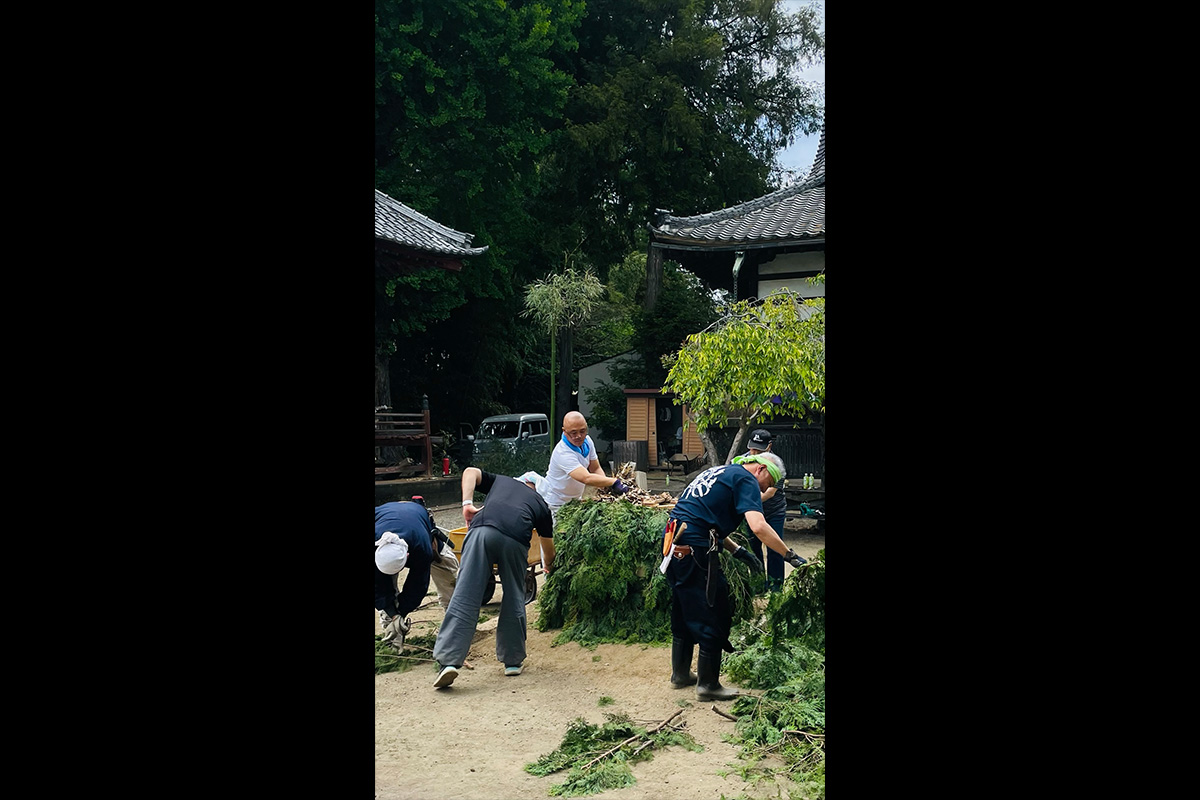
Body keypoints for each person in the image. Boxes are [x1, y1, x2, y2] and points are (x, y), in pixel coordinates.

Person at [662, 451, 806, 701]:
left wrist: (738, 551)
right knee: (715, 610)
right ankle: (708, 685)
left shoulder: (719, 472)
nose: (764, 492)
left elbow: (705, 520)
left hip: (674, 546)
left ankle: (680, 674)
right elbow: (758, 526)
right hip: (696, 549)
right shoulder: (746, 479)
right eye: (768, 485)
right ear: (761, 470)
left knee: (684, 608)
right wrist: (788, 555)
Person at [432, 467, 555, 688]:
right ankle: (513, 661)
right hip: (515, 542)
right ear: (539, 490)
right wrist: (549, 566)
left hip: (481, 532)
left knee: (465, 594)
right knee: (514, 595)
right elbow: (548, 548)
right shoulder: (541, 505)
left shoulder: (502, 480)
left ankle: (449, 662)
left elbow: (469, 471)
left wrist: (466, 504)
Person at [375, 499, 451, 651]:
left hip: (419, 522)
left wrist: (402, 612)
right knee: (383, 585)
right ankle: (391, 633)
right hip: (385, 516)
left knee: (451, 578)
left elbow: (418, 586)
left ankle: (456, 624)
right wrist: (393, 615)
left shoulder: (422, 549)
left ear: (407, 556)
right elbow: (377, 588)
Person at [538, 411, 630, 530]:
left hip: (575, 501)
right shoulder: (563, 452)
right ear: (564, 431)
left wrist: (604, 487)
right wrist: (614, 482)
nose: (579, 436)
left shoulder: (587, 442)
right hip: (555, 503)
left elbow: (595, 468)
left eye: (582, 431)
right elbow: (586, 478)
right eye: (573, 433)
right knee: (558, 540)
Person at [733, 430, 797, 592]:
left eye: (759, 450)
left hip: (773, 511)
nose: (755, 453)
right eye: (752, 449)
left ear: (769, 446)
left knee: (775, 548)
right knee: (753, 549)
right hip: (750, 512)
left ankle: (776, 588)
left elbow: (769, 492)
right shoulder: (742, 462)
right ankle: (758, 585)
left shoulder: (776, 464)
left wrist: (747, 501)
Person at [412, 495, 460, 609]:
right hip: (433, 552)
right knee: (450, 582)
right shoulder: (424, 515)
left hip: (424, 550)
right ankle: (453, 614)